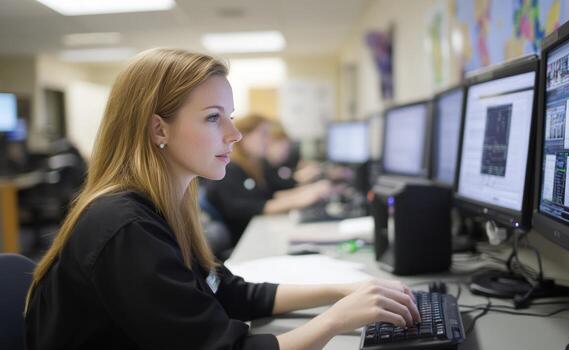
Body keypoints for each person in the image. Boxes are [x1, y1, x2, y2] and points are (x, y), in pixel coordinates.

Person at [24, 48, 420, 350]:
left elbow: (230, 293)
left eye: (230, 116)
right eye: (214, 117)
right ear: (158, 128)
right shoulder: (125, 226)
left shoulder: (164, 206)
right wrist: (335, 321)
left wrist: (342, 290)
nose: (235, 134)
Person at [206, 114, 333, 244]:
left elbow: (272, 193)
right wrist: (301, 199)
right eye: (263, 134)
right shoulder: (229, 169)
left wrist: (307, 194)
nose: (268, 140)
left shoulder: (255, 165)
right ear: (243, 136)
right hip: (244, 240)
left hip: (258, 233)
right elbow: (249, 208)